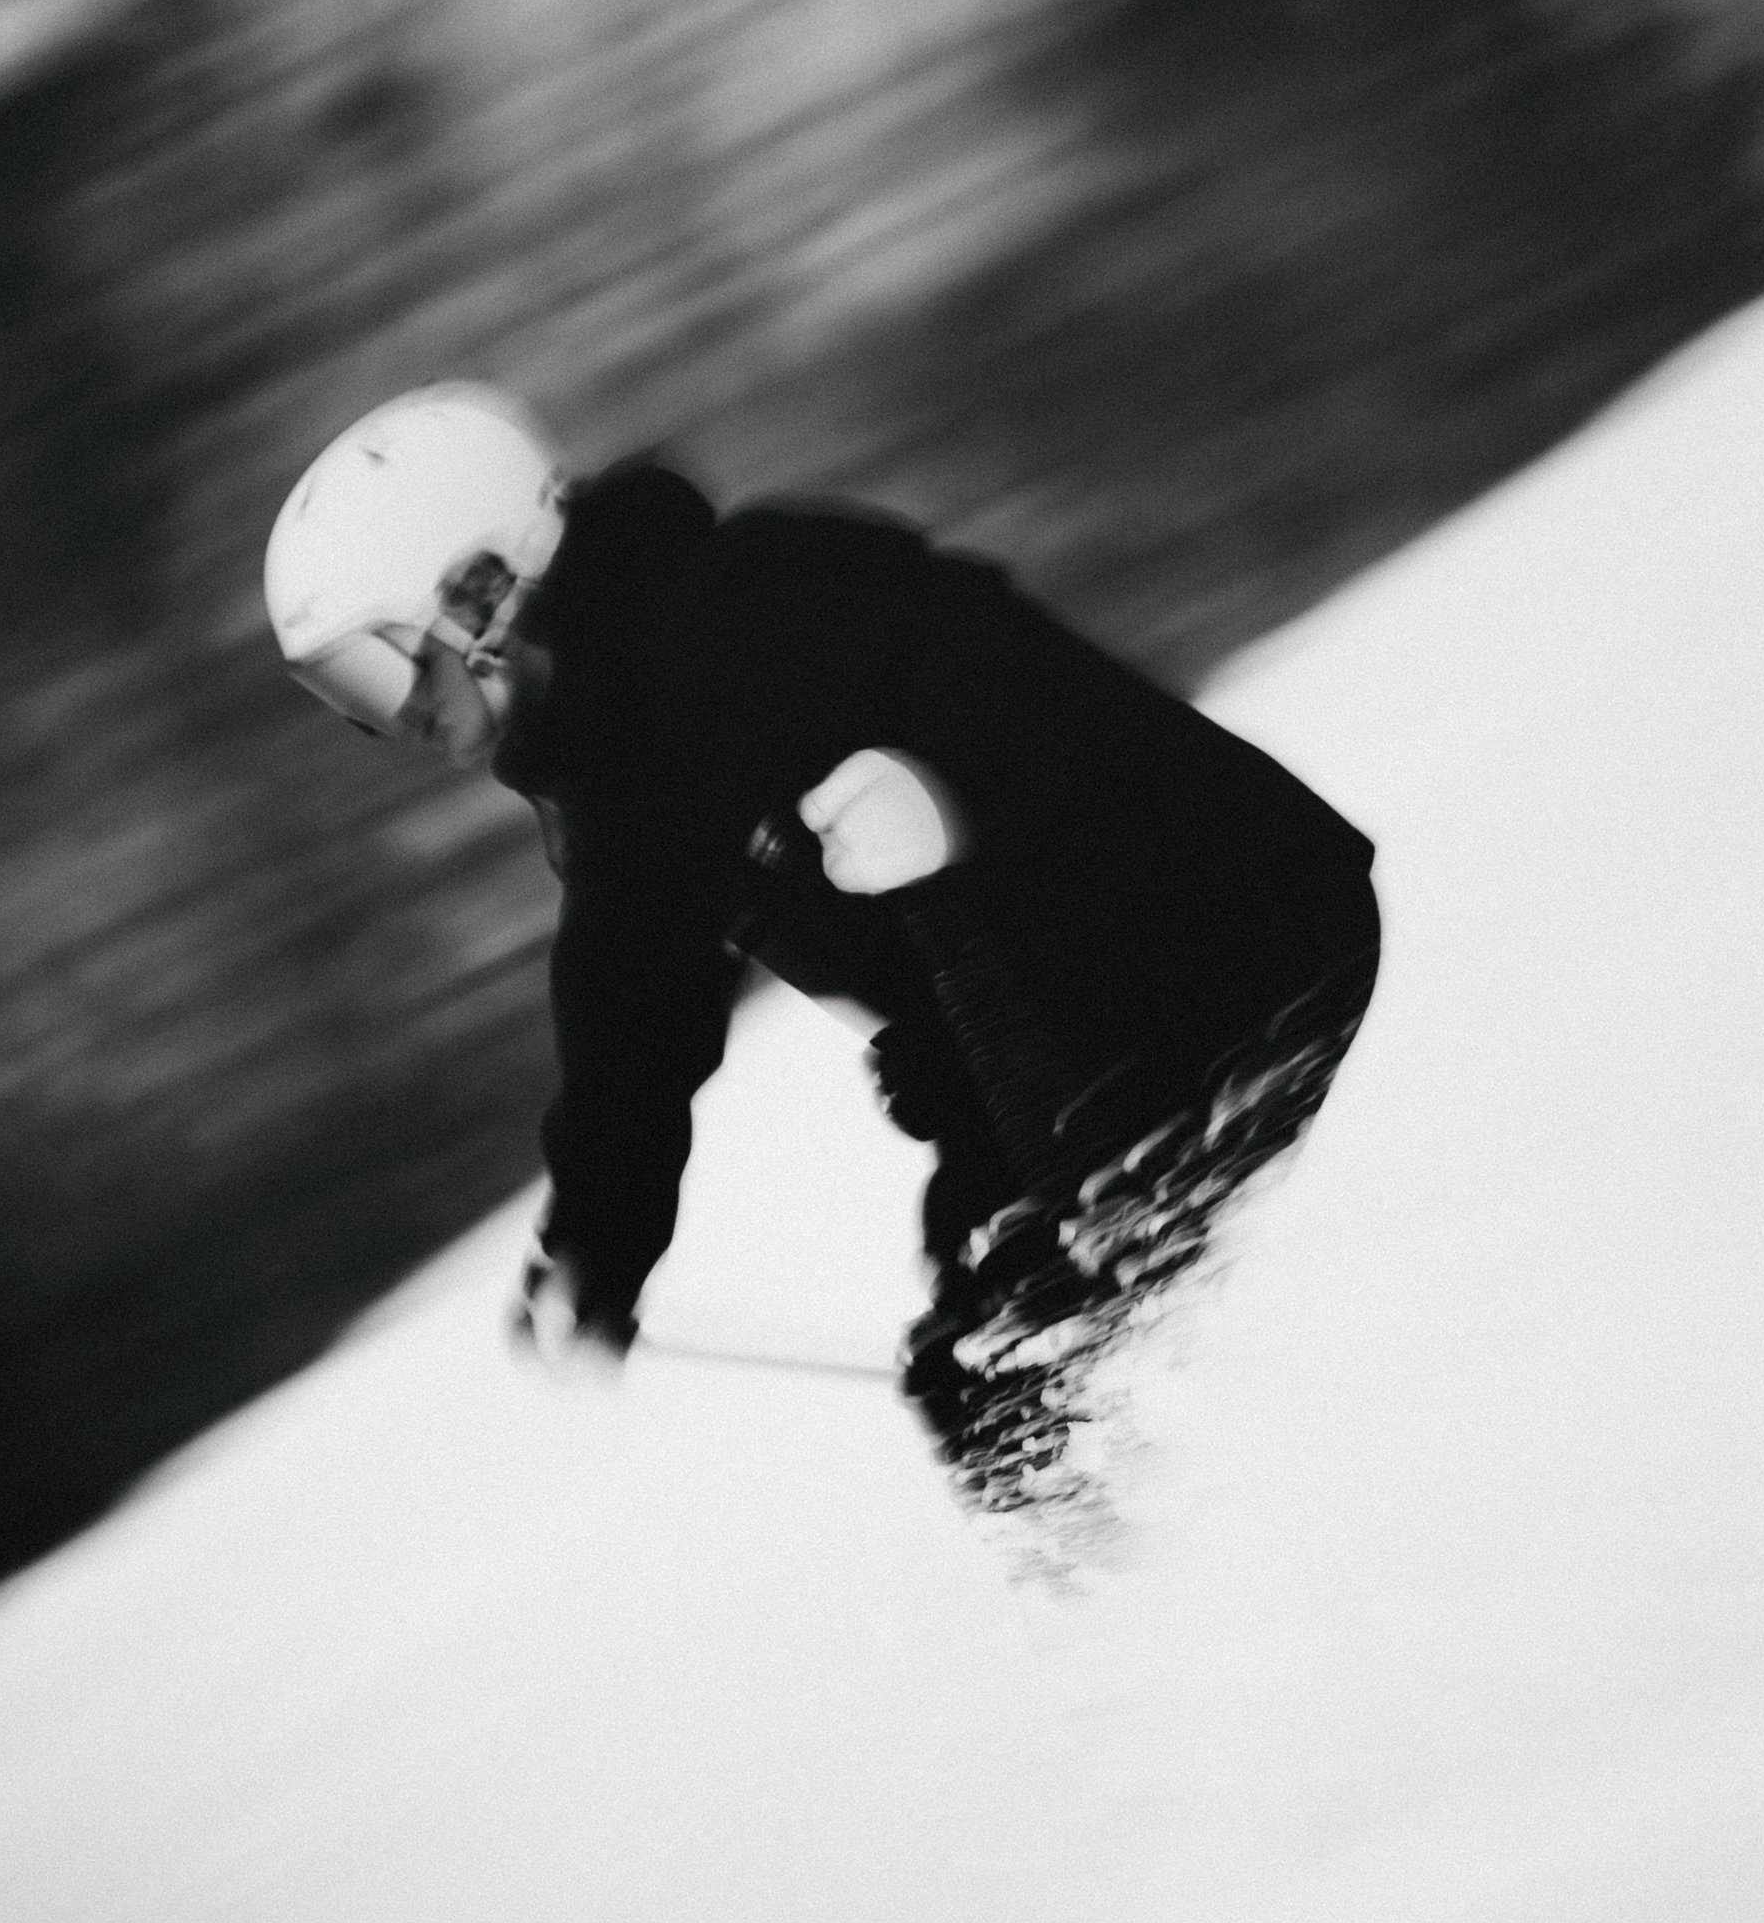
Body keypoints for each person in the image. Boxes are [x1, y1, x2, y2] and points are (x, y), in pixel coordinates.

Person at [266, 382, 1378, 1523]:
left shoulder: (761, 604)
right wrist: (597, 1244)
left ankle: (1310, 1499)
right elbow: (633, 1010)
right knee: (987, 1389)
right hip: (1050, 1060)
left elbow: (1083, 741)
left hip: (1219, 950)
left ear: (481, 593)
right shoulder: (614, 769)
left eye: (387, 669)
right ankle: (1180, 1616)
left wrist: (950, 805)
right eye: (348, 696)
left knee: (1068, 1338)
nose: (396, 722)